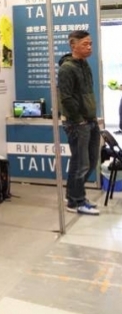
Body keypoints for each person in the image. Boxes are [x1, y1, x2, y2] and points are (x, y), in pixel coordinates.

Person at [57, 29, 100, 215]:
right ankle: (76, 202)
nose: (89, 47)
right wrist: (79, 120)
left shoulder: (84, 64)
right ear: (73, 45)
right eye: (85, 44)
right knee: (81, 163)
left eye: (90, 44)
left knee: (89, 161)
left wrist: (91, 118)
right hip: (77, 123)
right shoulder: (67, 68)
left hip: (90, 120)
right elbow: (65, 97)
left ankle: (73, 195)